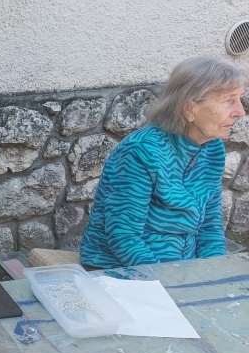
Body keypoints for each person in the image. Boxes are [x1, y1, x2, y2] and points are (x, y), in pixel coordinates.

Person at [80, 56, 246, 269]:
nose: (240, 112)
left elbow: (209, 226)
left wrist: (212, 270)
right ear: (190, 108)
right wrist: (169, 281)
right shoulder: (141, 151)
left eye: (240, 99)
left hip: (180, 268)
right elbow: (125, 238)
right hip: (122, 268)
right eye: (229, 100)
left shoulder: (212, 148)